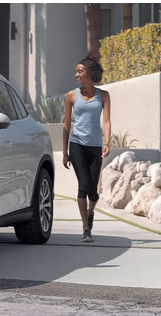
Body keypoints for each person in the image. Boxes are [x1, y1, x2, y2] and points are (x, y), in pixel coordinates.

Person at [62, 53, 111, 242]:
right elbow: (66, 124)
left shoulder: (104, 95)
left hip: (95, 146)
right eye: (76, 72)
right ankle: (85, 228)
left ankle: (91, 212)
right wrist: (65, 152)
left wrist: (106, 142)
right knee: (82, 186)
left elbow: (106, 122)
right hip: (77, 145)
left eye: (79, 72)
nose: (76, 75)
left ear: (89, 74)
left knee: (93, 191)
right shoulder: (71, 96)